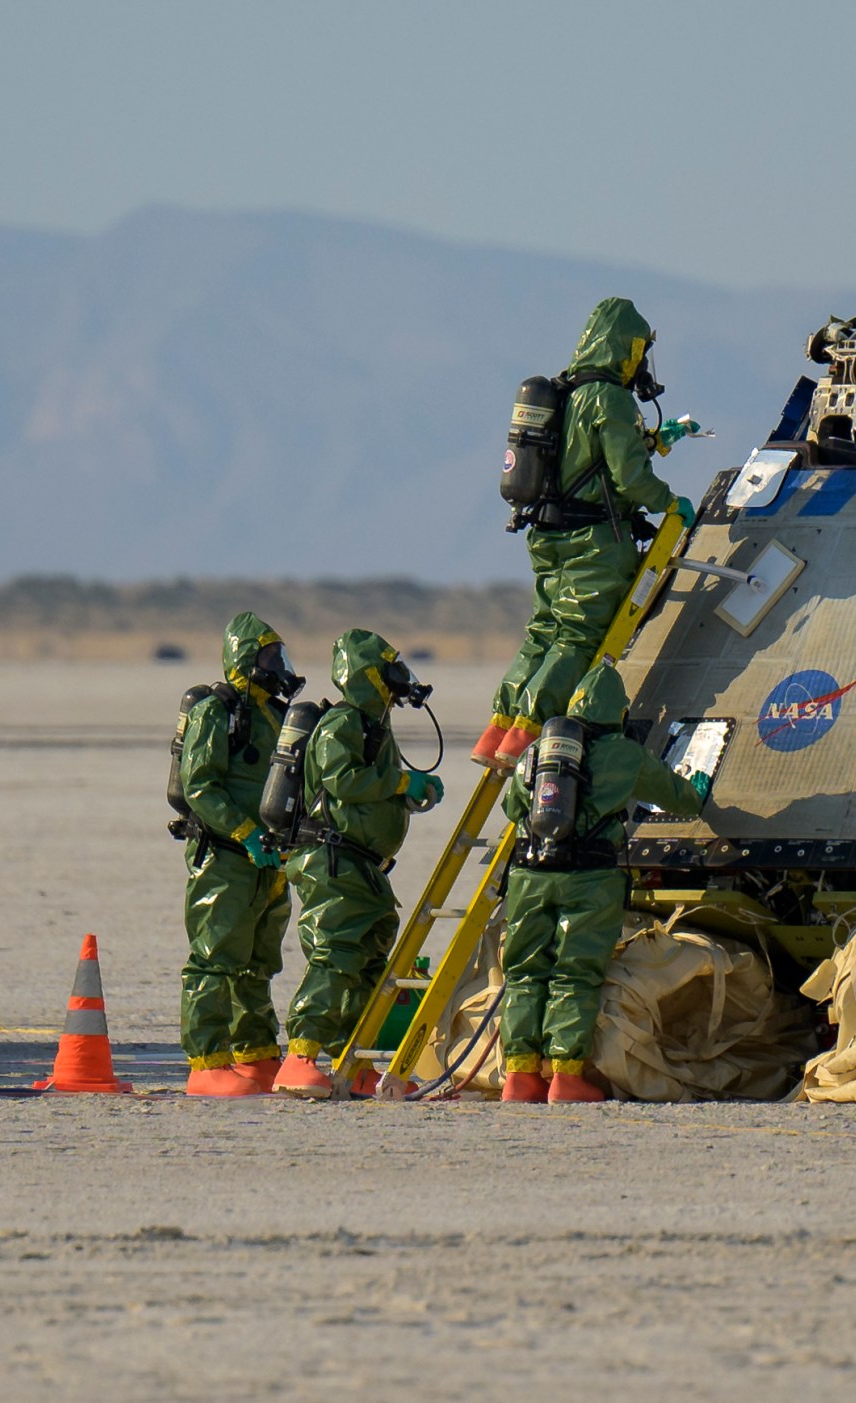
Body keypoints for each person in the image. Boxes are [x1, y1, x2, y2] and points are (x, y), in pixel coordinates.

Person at [473, 297, 704, 770]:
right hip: (593, 545)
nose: (641, 362)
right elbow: (627, 476)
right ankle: (527, 733)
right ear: (625, 347)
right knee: (578, 638)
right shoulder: (608, 399)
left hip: (548, 535)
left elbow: (590, 462)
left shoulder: (567, 394)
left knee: (543, 632)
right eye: (639, 350)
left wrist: (664, 439)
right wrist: (669, 503)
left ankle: (499, 727)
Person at [496, 662, 705, 1103]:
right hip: (588, 881)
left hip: (529, 876)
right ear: (619, 712)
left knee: (524, 972)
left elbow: (513, 807)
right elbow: (677, 795)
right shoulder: (623, 753)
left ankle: (519, 1077)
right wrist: (697, 788)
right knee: (575, 973)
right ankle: (566, 1077)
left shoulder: (540, 751)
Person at [273, 629, 444, 1098]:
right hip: (333, 860)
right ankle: (300, 1057)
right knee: (338, 951)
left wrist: (410, 795)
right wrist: (399, 783)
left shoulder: (374, 728)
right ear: (369, 674)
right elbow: (342, 778)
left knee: (370, 961)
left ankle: (357, 1062)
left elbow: (367, 793)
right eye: (388, 669)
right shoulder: (342, 723)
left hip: (363, 865)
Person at [176, 611, 304, 1096]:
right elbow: (200, 785)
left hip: (268, 863)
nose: (278, 665)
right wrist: (246, 832)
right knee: (215, 956)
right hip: (226, 858)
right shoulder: (217, 712)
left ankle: (255, 1055)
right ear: (246, 661)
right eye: (269, 657)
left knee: (258, 961)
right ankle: (207, 1062)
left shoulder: (273, 714)